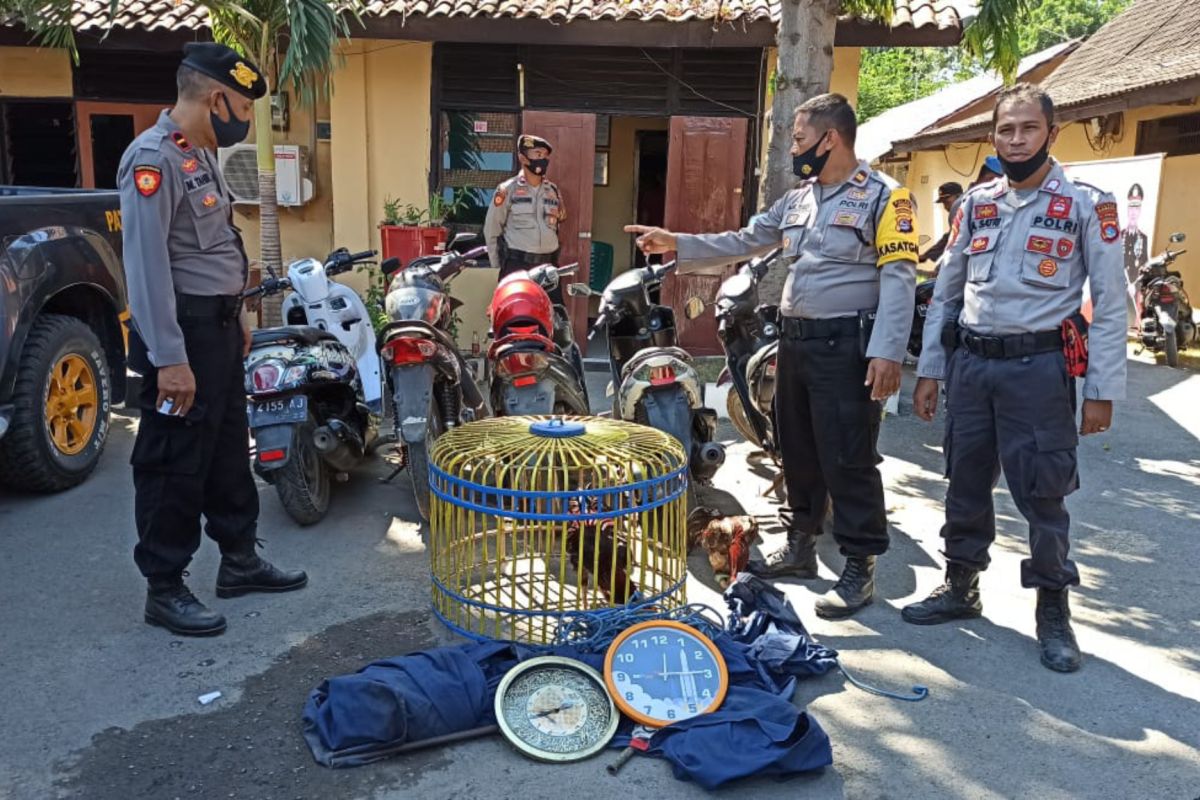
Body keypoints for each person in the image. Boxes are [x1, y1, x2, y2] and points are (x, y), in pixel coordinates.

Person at [625, 93, 918, 619]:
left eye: (802, 140)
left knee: (848, 457)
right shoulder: (798, 199)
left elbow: (898, 279)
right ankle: (802, 547)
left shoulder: (884, 198)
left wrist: (887, 353)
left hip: (847, 344)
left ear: (831, 138)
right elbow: (746, 239)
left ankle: (859, 567)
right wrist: (678, 242)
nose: (795, 151)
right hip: (796, 341)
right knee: (797, 448)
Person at [907, 83, 1126, 673]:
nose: (1016, 139)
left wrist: (1102, 390)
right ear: (995, 136)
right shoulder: (975, 205)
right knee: (965, 479)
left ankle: (1053, 609)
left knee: (1043, 493)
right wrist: (930, 370)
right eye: (1006, 130)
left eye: (1028, 129)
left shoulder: (1087, 204)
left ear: (1052, 134)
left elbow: (1109, 302)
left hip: (1039, 370)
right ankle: (960, 586)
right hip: (972, 367)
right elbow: (946, 295)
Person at [118, 43, 307, 637]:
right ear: (216, 97)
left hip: (221, 328)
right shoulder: (154, 160)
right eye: (245, 108)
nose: (244, 120)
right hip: (184, 336)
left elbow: (217, 250)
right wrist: (170, 359)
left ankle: (239, 560)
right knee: (174, 459)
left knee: (228, 448)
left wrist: (240, 315)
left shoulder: (197, 157)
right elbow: (147, 270)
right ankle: (165, 587)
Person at [484, 134, 567, 302]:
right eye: (537, 154)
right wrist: (497, 268)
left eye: (544, 155)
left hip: (548, 267)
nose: (542, 159)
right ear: (523, 158)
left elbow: (558, 223)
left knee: (555, 320)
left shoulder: (553, 191)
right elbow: (492, 230)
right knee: (518, 318)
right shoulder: (507, 190)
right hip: (517, 266)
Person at [919, 181, 964, 267]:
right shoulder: (958, 212)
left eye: (947, 202)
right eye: (943, 203)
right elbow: (950, 236)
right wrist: (927, 255)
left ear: (958, 197)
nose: (945, 207)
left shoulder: (961, 207)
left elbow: (955, 241)